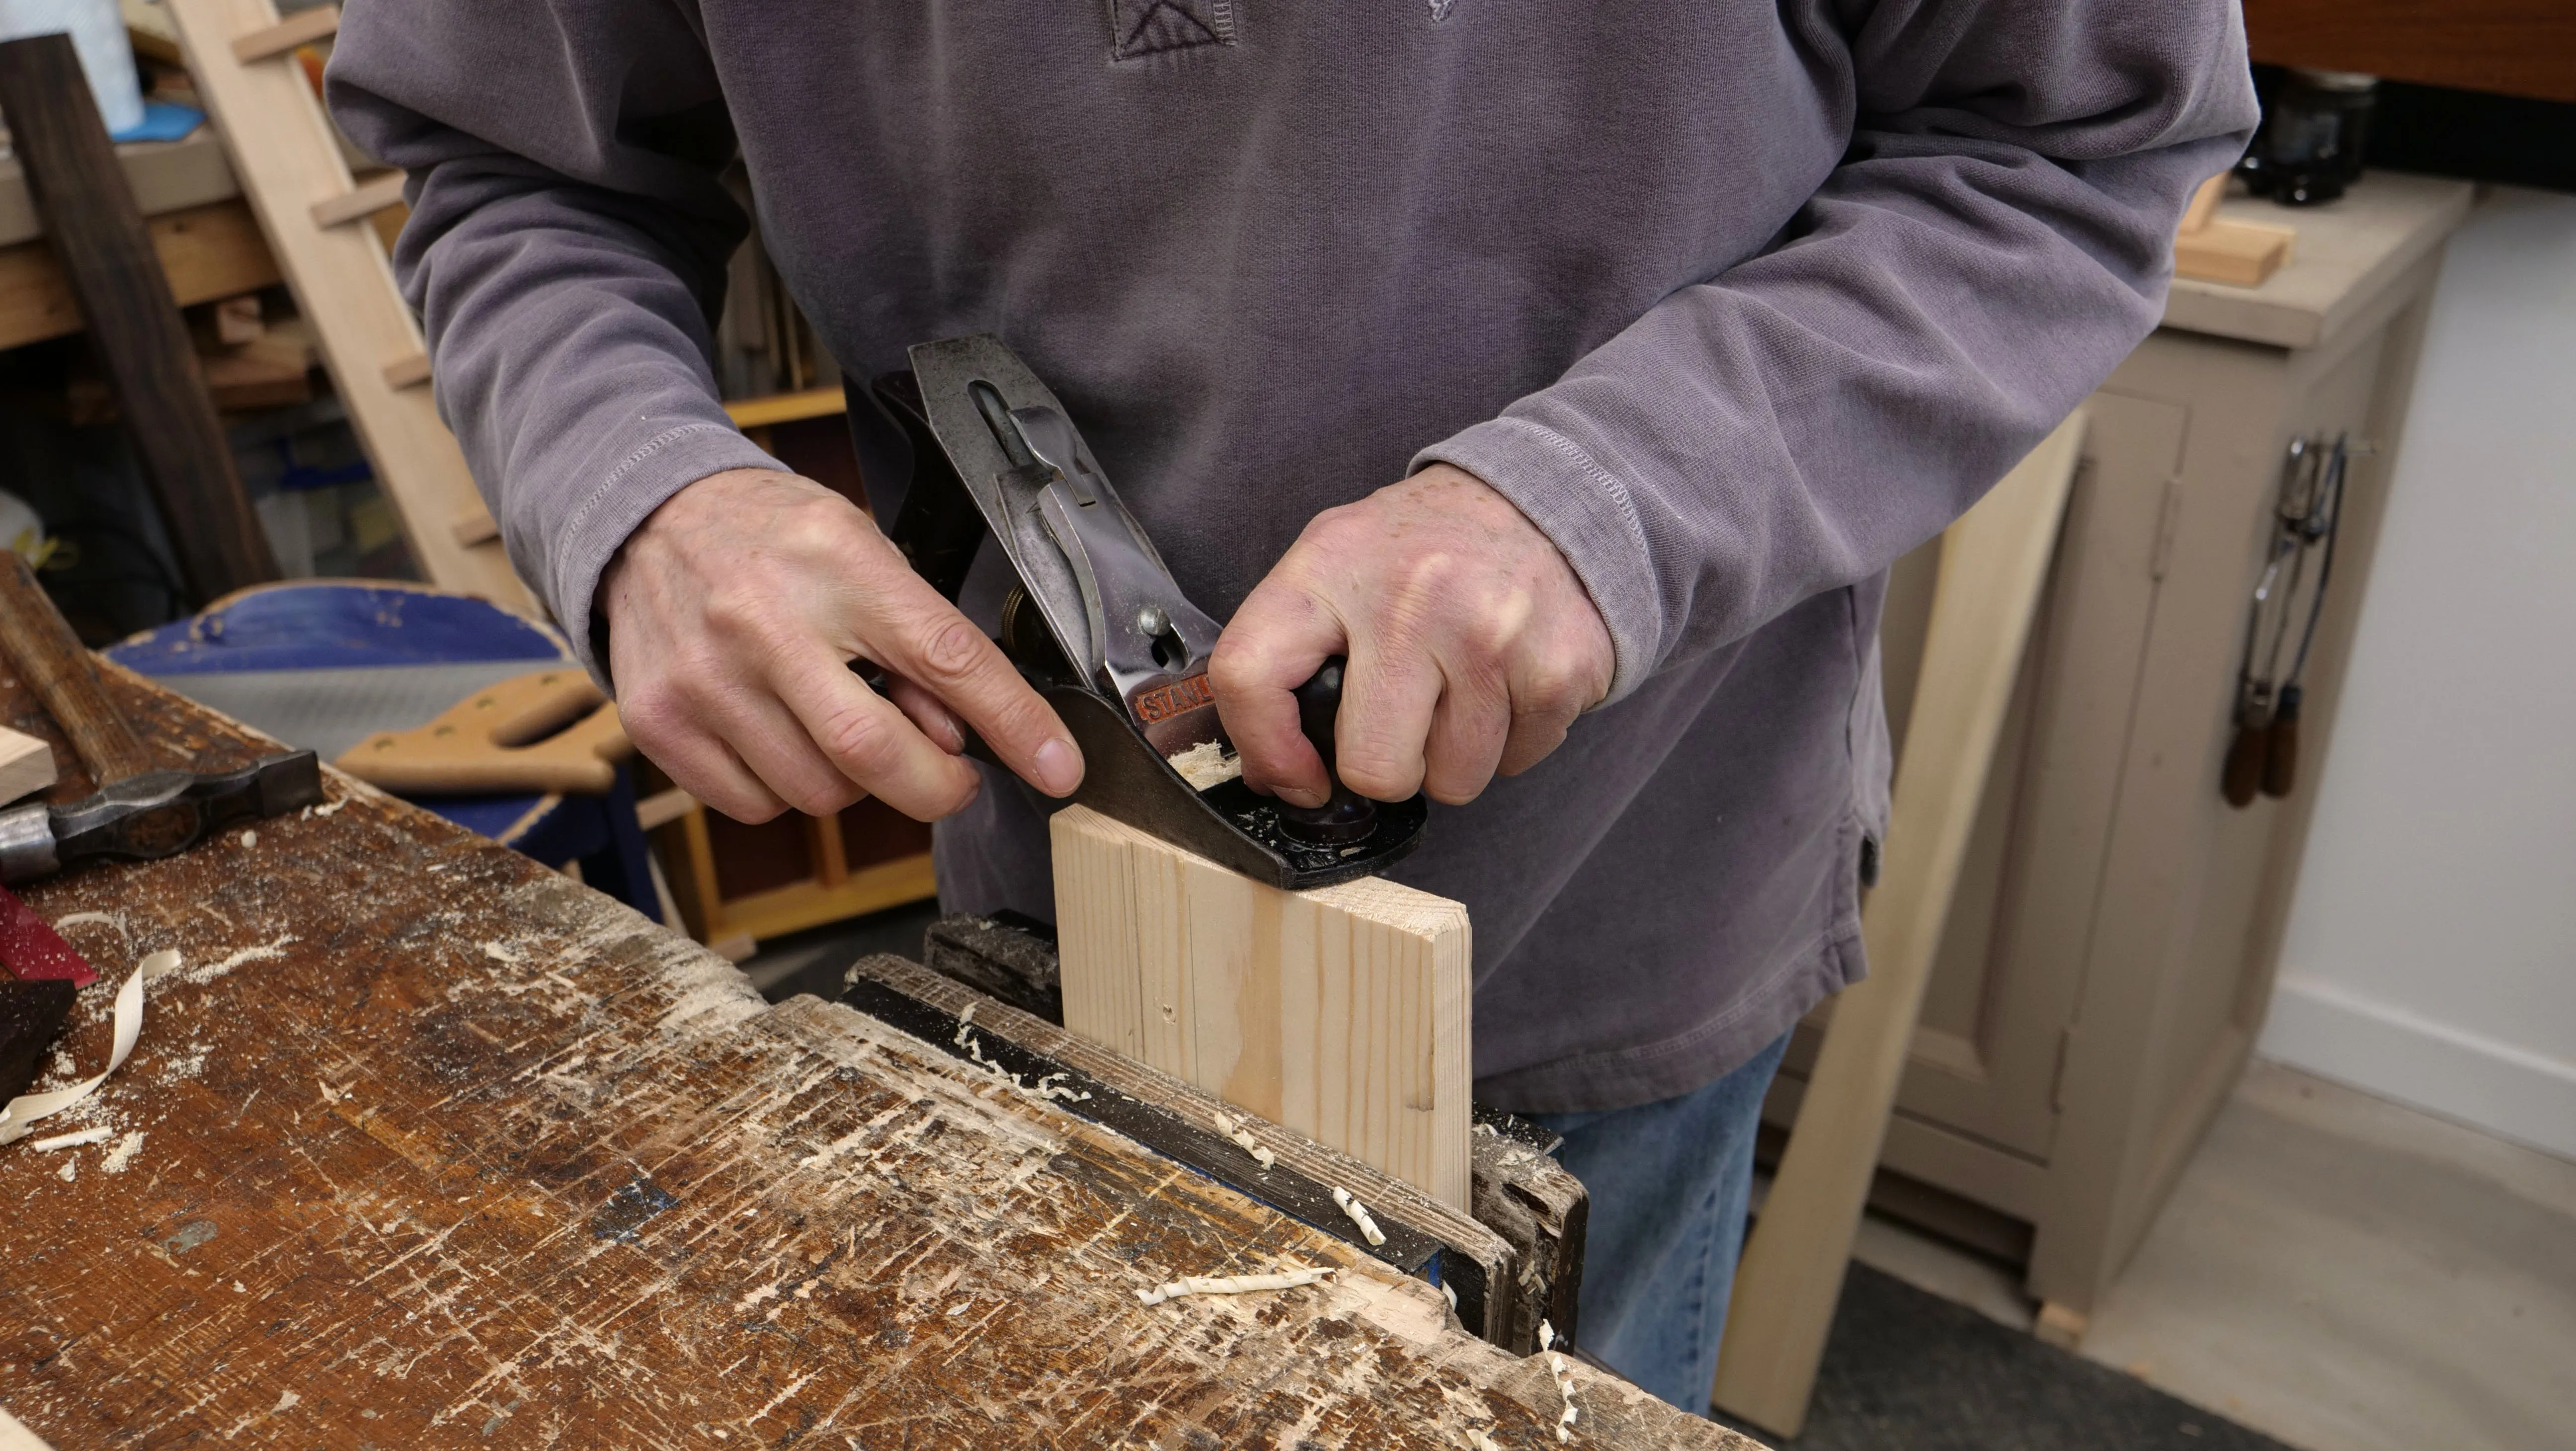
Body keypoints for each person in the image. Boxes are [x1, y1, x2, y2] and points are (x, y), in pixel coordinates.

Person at [329, 0, 2254, 1413]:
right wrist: (639, 487)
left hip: (1616, 897)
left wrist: (1608, 501)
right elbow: (507, 165)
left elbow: (2075, 147)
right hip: (1066, 899)